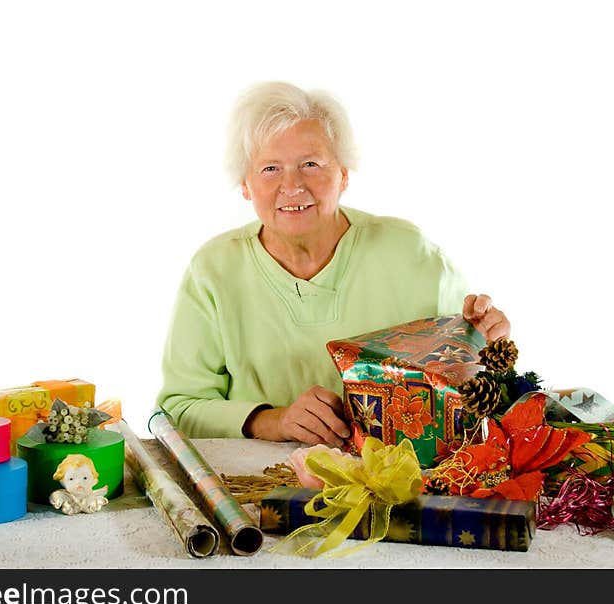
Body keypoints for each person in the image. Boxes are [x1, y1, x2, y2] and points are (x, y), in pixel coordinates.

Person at [156, 81, 510, 449]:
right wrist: (274, 420)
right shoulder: (214, 270)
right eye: (270, 169)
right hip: (254, 484)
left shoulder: (411, 255)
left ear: (343, 174)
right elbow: (178, 408)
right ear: (245, 184)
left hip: (401, 479)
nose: (292, 185)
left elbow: (475, 385)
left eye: (311, 164)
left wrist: (491, 346)